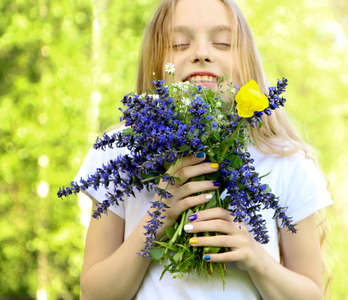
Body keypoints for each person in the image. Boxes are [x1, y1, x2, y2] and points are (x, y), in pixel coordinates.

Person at [76, 0, 334, 299]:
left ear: (246, 61)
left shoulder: (285, 161)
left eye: (222, 43)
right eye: (180, 43)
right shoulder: (120, 155)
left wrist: (255, 256)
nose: (201, 54)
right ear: (156, 61)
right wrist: (159, 216)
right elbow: (95, 294)